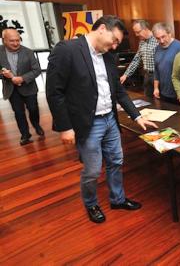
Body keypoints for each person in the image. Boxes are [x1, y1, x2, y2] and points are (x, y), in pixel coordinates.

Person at [46, 15, 158, 223]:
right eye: (114, 40)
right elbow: (54, 92)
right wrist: (65, 127)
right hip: (88, 123)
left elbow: (119, 91)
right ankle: (91, 204)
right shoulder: (67, 50)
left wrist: (137, 116)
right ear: (102, 29)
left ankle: (117, 199)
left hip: (110, 119)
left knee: (116, 160)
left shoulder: (107, 55)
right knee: (92, 170)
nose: (115, 46)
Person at [0, 28, 44, 145]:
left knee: (33, 109)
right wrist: (3, 75)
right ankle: (25, 135)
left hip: (29, 87)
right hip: (11, 89)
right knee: (18, 112)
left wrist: (22, 78)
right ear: (4, 40)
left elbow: (37, 70)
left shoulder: (28, 52)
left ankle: (36, 125)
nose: (15, 43)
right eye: (12, 41)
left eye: (17, 40)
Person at [119, 19, 158, 98]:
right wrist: (126, 75)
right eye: (135, 32)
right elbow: (136, 60)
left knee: (160, 100)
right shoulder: (141, 42)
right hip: (147, 75)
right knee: (148, 100)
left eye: (138, 32)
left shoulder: (158, 39)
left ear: (146, 29)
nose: (136, 35)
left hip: (157, 76)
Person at [152, 22, 180, 103]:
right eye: (158, 38)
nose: (161, 41)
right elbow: (157, 71)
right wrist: (156, 88)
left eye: (163, 36)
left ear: (170, 33)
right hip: (163, 93)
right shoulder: (157, 48)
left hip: (178, 95)